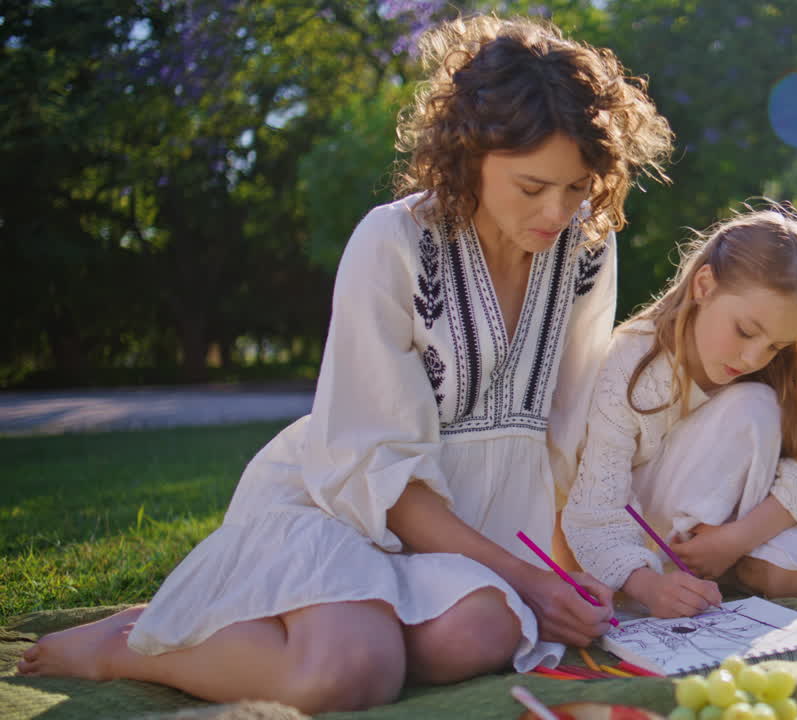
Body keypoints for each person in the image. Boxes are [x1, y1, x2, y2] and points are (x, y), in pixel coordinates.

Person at [18, 15, 672, 713]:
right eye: (533, 185)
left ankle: (266, 618)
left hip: (475, 544)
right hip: (346, 512)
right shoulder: (391, 241)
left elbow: (567, 435)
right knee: (349, 675)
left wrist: (572, 575)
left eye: (577, 188)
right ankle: (129, 641)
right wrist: (525, 578)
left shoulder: (586, 247)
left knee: (482, 634)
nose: (558, 210)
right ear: (468, 153)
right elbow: (378, 472)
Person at [561, 203, 797, 619]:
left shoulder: (782, 361)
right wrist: (649, 586)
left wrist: (732, 540)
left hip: (732, 528)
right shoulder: (632, 362)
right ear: (704, 286)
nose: (754, 357)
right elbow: (596, 509)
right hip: (646, 537)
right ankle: (685, 569)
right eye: (746, 331)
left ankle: (713, 562)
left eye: (775, 345)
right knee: (754, 406)